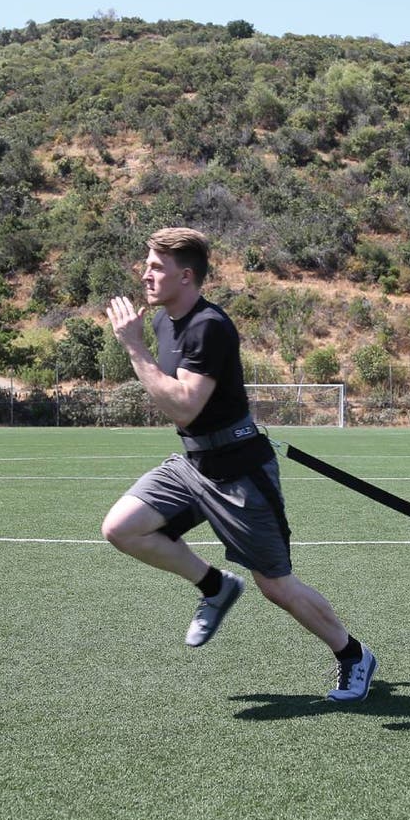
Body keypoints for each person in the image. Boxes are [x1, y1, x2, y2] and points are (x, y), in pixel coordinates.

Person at [101, 227, 376, 701]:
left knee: (276, 586)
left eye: (155, 267)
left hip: (239, 473)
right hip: (193, 463)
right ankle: (215, 585)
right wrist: (142, 343)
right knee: (121, 527)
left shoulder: (209, 325)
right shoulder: (166, 320)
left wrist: (133, 347)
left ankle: (353, 655)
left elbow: (185, 405)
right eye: (146, 264)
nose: (144, 274)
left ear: (186, 276)